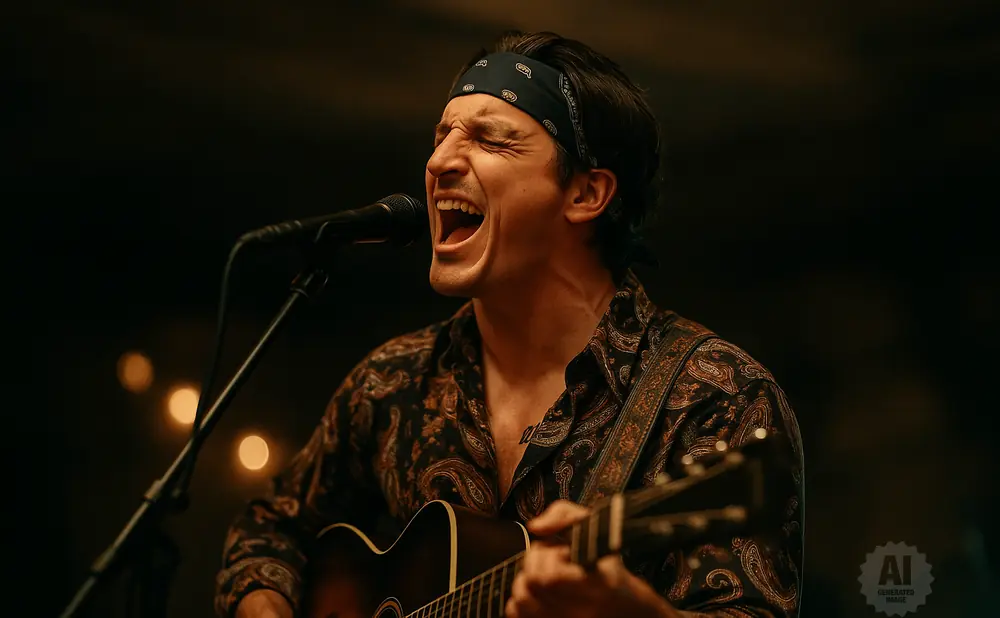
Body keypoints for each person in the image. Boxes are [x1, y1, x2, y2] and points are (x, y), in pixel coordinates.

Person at [214, 30, 804, 618]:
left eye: (491, 140)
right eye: (442, 136)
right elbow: (269, 529)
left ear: (586, 194)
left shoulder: (715, 395)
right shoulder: (392, 381)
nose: (439, 161)